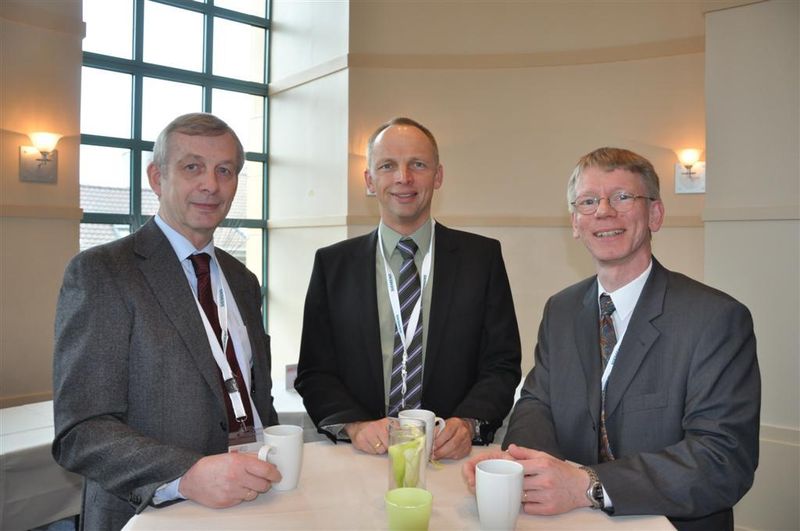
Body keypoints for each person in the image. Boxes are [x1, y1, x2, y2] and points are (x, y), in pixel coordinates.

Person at [464, 147, 760, 531]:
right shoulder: (561, 309)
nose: (603, 211)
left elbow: (723, 459)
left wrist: (589, 485)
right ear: (575, 222)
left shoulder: (715, 319)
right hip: (568, 521)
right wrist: (522, 467)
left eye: (622, 197)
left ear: (655, 214)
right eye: (588, 201)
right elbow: (537, 404)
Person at [52, 113, 281, 530]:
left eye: (224, 170)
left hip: (254, 503)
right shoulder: (103, 272)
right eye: (192, 167)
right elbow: (82, 430)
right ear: (157, 178)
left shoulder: (243, 281)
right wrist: (187, 474)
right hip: (152, 515)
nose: (211, 184)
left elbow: (252, 396)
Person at [295, 117, 521, 460]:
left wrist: (468, 423)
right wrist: (355, 426)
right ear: (370, 181)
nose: (404, 178)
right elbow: (315, 372)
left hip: (449, 457)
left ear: (438, 176)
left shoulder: (482, 259)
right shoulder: (333, 265)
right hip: (362, 456)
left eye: (418, 164)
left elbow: (501, 365)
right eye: (388, 166)